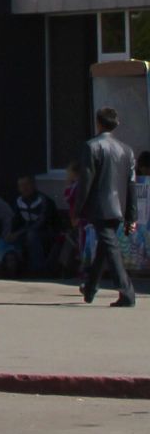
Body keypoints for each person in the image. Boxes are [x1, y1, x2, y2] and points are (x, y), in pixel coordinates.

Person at [77, 106, 138, 307]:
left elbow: (86, 181)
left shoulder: (91, 146)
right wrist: (132, 216)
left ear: (98, 123)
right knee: (105, 247)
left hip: (100, 207)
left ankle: (126, 292)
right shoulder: (126, 150)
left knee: (110, 248)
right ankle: (90, 288)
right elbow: (131, 185)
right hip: (119, 206)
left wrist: (78, 210)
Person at [4, 175, 58, 277]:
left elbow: (41, 223)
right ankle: (7, 270)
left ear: (34, 185)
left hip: (46, 233)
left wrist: (19, 233)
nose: (24, 188)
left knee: (31, 235)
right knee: (5, 239)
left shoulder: (44, 201)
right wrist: (11, 234)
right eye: (21, 185)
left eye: (27, 184)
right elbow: (15, 222)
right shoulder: (18, 202)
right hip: (25, 232)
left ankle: (37, 271)